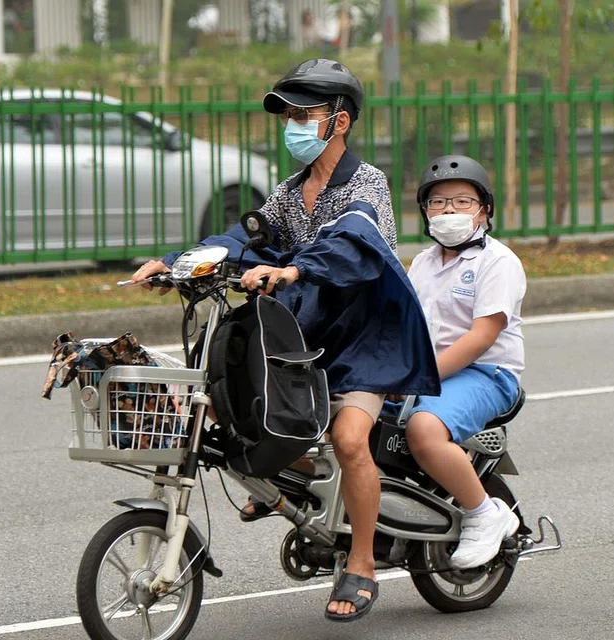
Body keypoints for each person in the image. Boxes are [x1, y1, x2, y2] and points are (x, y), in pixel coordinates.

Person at [130, 59, 440, 622]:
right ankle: (296, 496)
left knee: (349, 440)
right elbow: (243, 239)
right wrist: (177, 265)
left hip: (364, 342)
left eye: (303, 114)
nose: (291, 124)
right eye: (287, 114)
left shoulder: (364, 183)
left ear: (338, 122)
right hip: (308, 335)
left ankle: (363, 564)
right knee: (237, 413)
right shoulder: (291, 190)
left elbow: (353, 247)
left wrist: (294, 271)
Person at [404, 155, 527, 570]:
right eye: (437, 203)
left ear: (484, 209)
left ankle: (483, 514)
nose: (448, 211)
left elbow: (480, 338)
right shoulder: (421, 263)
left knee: (424, 429)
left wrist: (420, 376)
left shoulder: (498, 262)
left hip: (487, 374)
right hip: (427, 371)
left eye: (461, 201)